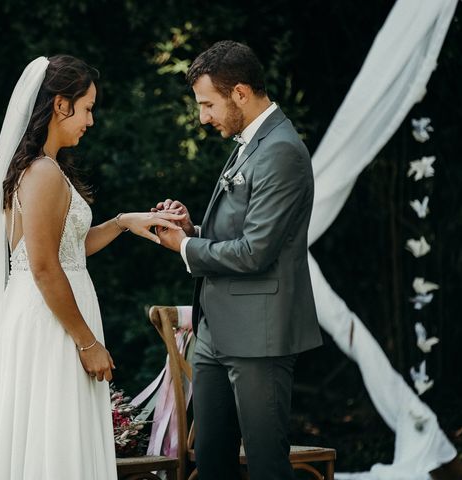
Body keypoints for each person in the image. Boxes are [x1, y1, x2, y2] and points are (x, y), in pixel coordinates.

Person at [0, 55, 184, 479]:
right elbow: (42, 266)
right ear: (61, 105)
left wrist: (121, 223)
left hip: (53, 313)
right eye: (88, 107)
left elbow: (69, 249)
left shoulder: (46, 169)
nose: (91, 121)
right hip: (50, 322)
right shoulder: (42, 173)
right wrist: (87, 342)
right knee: (49, 435)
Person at [154, 41, 323, 480]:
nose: (203, 116)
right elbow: (238, 233)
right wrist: (191, 230)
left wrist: (185, 248)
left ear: (241, 93)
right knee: (211, 461)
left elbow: (255, 252)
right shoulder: (252, 142)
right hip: (215, 331)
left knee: (267, 465)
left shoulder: (282, 149)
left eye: (208, 104)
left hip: (259, 334)